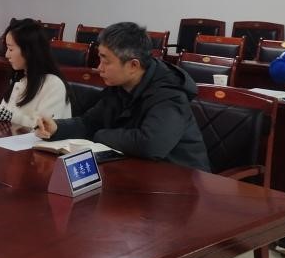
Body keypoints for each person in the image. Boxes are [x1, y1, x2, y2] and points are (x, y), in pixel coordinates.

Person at [34, 22, 210, 171]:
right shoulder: (119, 85)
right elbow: (90, 122)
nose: (99, 68)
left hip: (180, 180)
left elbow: (150, 145)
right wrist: (57, 128)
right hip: (136, 172)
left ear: (133, 65)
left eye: (106, 61)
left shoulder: (169, 93)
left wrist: (100, 135)